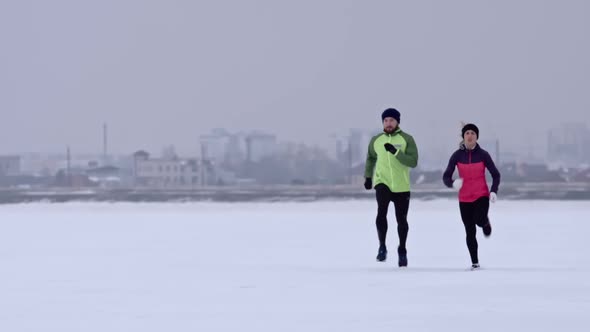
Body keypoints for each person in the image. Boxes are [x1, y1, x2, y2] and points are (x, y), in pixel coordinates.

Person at [364, 108, 419, 267]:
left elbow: (413, 162)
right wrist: (368, 177)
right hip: (383, 182)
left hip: (401, 185)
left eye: (392, 120)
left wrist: (395, 152)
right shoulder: (376, 140)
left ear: (397, 122)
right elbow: (370, 159)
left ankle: (402, 249)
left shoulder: (407, 139)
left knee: (401, 220)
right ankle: (382, 246)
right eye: (386, 120)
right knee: (381, 212)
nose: (388, 123)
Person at [442, 123, 501, 270]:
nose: (470, 135)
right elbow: (446, 176)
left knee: (479, 220)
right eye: (467, 133)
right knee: (469, 231)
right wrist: (452, 183)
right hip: (464, 199)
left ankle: (485, 222)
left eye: (473, 133)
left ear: (477, 137)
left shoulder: (483, 155)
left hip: (481, 195)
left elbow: (496, 174)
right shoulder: (457, 155)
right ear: (463, 137)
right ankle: (475, 262)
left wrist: (493, 191)